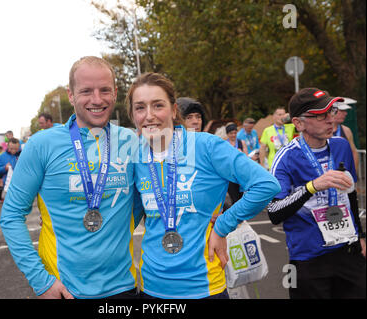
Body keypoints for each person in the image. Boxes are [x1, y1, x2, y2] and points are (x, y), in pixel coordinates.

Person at [126, 72, 280, 299]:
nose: (149, 116)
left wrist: (224, 225)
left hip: (204, 287)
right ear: (132, 114)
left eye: (158, 105)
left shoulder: (206, 145)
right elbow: (131, 214)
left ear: (174, 109)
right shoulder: (136, 156)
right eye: (140, 108)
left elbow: (266, 185)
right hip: (152, 288)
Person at [0, 56, 142, 299]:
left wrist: (214, 222)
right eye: (86, 91)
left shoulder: (131, 141)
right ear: (71, 95)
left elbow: (144, 201)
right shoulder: (41, 144)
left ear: (115, 93)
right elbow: (11, 215)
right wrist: (41, 281)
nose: (97, 100)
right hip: (63, 290)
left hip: (123, 288)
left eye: (105, 90)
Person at [267, 88, 366, 299]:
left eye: (332, 112)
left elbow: (350, 195)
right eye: (321, 115)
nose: (330, 120)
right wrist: (311, 186)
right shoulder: (286, 158)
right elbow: (274, 212)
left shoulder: (341, 146)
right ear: (299, 123)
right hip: (307, 259)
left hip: (348, 251)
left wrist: (360, 236)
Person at [332, 102, 359, 174]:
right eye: (342, 111)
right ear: (333, 111)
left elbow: (354, 152)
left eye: (346, 111)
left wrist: (353, 173)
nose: (346, 113)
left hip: (343, 174)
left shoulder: (346, 130)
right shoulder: (320, 130)